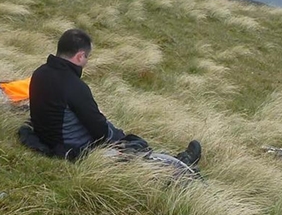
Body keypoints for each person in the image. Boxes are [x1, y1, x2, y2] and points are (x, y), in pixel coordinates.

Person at [26, 28, 202, 166]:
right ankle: (179, 163)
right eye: (87, 57)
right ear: (80, 56)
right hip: (71, 149)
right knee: (132, 147)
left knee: (123, 139)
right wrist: (115, 133)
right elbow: (100, 133)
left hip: (46, 138)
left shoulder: (40, 73)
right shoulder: (74, 86)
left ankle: (167, 158)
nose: (87, 62)